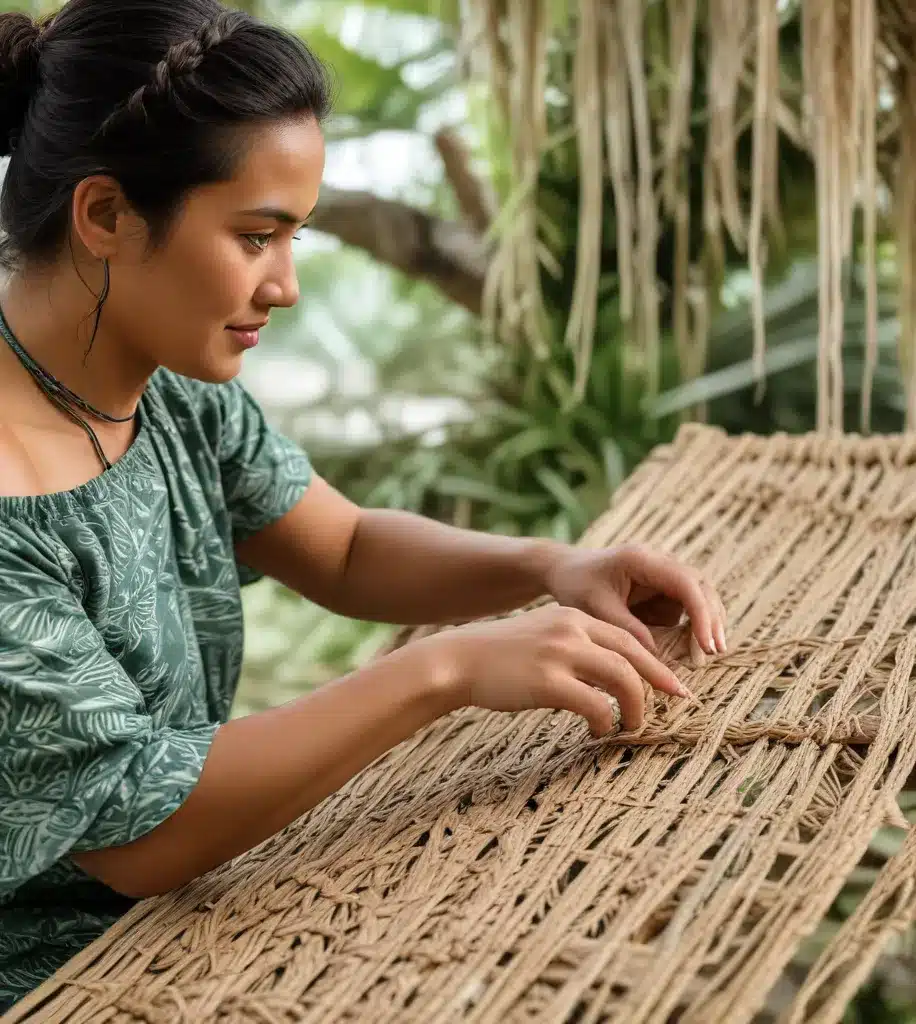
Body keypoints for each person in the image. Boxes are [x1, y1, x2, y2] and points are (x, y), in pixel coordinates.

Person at [0, 0, 727, 1010]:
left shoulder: (162, 388)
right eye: (256, 236)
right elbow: (136, 833)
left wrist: (548, 566)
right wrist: (444, 668)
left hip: (186, 927)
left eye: (292, 238)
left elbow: (338, 547)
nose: (285, 285)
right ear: (107, 215)